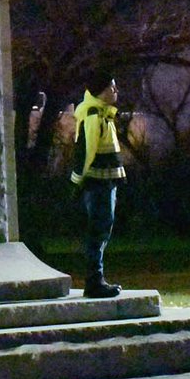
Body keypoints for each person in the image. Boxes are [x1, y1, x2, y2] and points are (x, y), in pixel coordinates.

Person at [70, 72, 127, 298]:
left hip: (105, 181)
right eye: (112, 88)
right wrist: (77, 181)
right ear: (101, 91)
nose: (116, 91)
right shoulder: (94, 116)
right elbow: (86, 152)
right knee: (99, 230)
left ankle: (96, 279)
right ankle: (94, 281)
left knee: (102, 229)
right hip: (98, 183)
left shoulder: (103, 114)